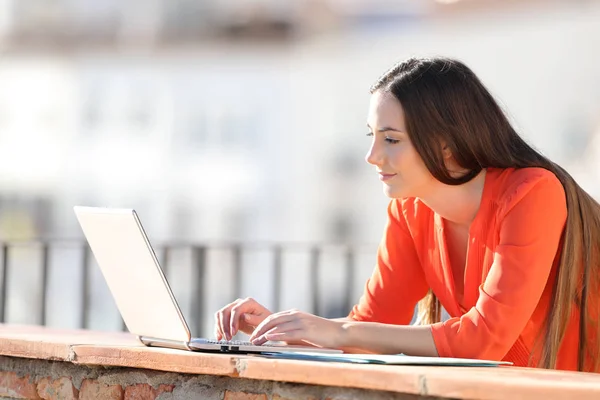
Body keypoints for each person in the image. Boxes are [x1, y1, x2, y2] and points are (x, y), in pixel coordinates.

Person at [214, 57, 599, 373]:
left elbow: (484, 340)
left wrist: (338, 332)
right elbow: (368, 329)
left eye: (392, 139)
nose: (372, 156)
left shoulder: (532, 193)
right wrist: (283, 330)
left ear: (446, 146)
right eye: (373, 136)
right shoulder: (410, 210)